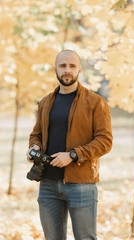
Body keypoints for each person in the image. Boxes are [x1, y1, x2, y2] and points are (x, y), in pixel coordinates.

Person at [27, 49, 113, 240]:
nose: (67, 70)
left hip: (81, 184)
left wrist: (72, 155)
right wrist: (34, 147)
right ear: (55, 69)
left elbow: (105, 141)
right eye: (63, 66)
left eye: (72, 66)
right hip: (48, 184)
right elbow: (36, 134)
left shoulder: (96, 103)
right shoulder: (46, 102)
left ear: (80, 70)